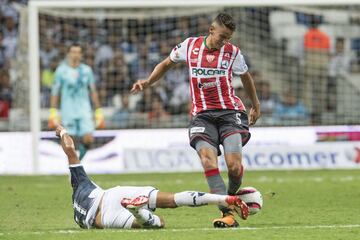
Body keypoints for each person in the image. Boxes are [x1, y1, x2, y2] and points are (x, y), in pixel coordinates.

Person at [131, 13, 260, 228]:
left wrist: (256, 105)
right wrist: (148, 82)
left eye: (228, 38)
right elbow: (166, 64)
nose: (224, 42)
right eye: (222, 36)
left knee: (234, 168)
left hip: (230, 113)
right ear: (211, 30)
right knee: (208, 161)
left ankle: (230, 195)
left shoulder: (232, 53)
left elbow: (246, 77)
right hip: (202, 115)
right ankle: (228, 212)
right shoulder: (189, 46)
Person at [55, 125, 249, 229]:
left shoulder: (77, 215)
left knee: (157, 223)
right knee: (173, 199)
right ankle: (224, 199)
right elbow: (70, 150)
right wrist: (62, 131)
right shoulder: (80, 181)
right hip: (111, 194)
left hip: (100, 216)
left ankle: (137, 211)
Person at [49, 43, 104, 160]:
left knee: (89, 139)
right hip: (68, 110)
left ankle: (78, 162)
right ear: (68, 54)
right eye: (73, 52)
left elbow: (93, 91)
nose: (76, 55)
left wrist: (98, 110)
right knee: (70, 142)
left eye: (78, 52)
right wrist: (53, 111)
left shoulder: (86, 70)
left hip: (84, 110)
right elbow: (55, 92)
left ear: (81, 55)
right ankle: (73, 168)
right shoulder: (61, 71)